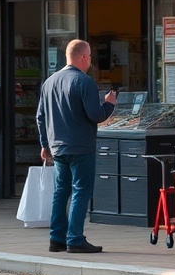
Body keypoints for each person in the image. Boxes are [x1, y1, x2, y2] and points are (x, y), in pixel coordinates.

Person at [36, 39, 117, 253]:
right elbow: (96, 115)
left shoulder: (49, 82)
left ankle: (56, 239)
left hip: (58, 147)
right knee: (81, 191)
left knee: (60, 192)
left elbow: (40, 117)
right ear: (83, 57)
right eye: (89, 56)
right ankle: (75, 239)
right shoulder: (85, 82)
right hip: (81, 146)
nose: (90, 60)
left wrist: (45, 144)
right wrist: (109, 104)